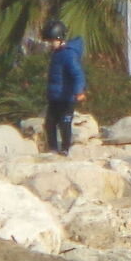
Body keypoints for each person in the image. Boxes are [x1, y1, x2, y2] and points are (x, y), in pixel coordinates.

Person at [42, 15, 87, 156]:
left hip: (67, 97)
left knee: (64, 123)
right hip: (55, 96)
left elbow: (77, 74)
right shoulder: (56, 53)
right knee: (49, 123)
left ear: (60, 38)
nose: (51, 43)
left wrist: (79, 91)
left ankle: (65, 149)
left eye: (53, 40)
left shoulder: (68, 55)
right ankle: (53, 149)